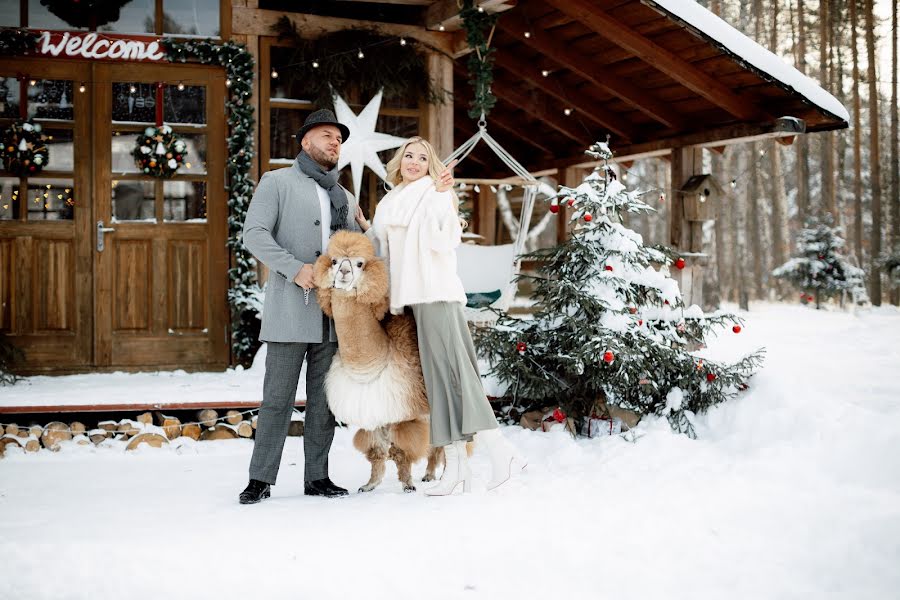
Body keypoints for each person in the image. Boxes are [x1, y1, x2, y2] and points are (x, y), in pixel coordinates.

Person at [355, 136, 525, 496]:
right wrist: (366, 226)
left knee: (457, 375)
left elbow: (445, 240)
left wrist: (444, 200)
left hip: (438, 293)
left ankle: (501, 451)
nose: (414, 162)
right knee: (439, 383)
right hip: (417, 300)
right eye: (409, 156)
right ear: (399, 161)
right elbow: (383, 246)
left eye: (422, 157)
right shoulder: (391, 201)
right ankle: (458, 467)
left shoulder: (435, 192)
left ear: (431, 164)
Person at [239, 109, 361, 504]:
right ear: (305, 142)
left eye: (339, 138)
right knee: (277, 399)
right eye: (326, 135)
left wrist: (368, 225)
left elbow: (360, 251)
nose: (334, 142)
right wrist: (294, 269)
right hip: (291, 310)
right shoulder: (276, 182)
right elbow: (253, 234)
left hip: (333, 315)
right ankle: (260, 479)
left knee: (323, 403)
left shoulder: (345, 196)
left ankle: (317, 477)